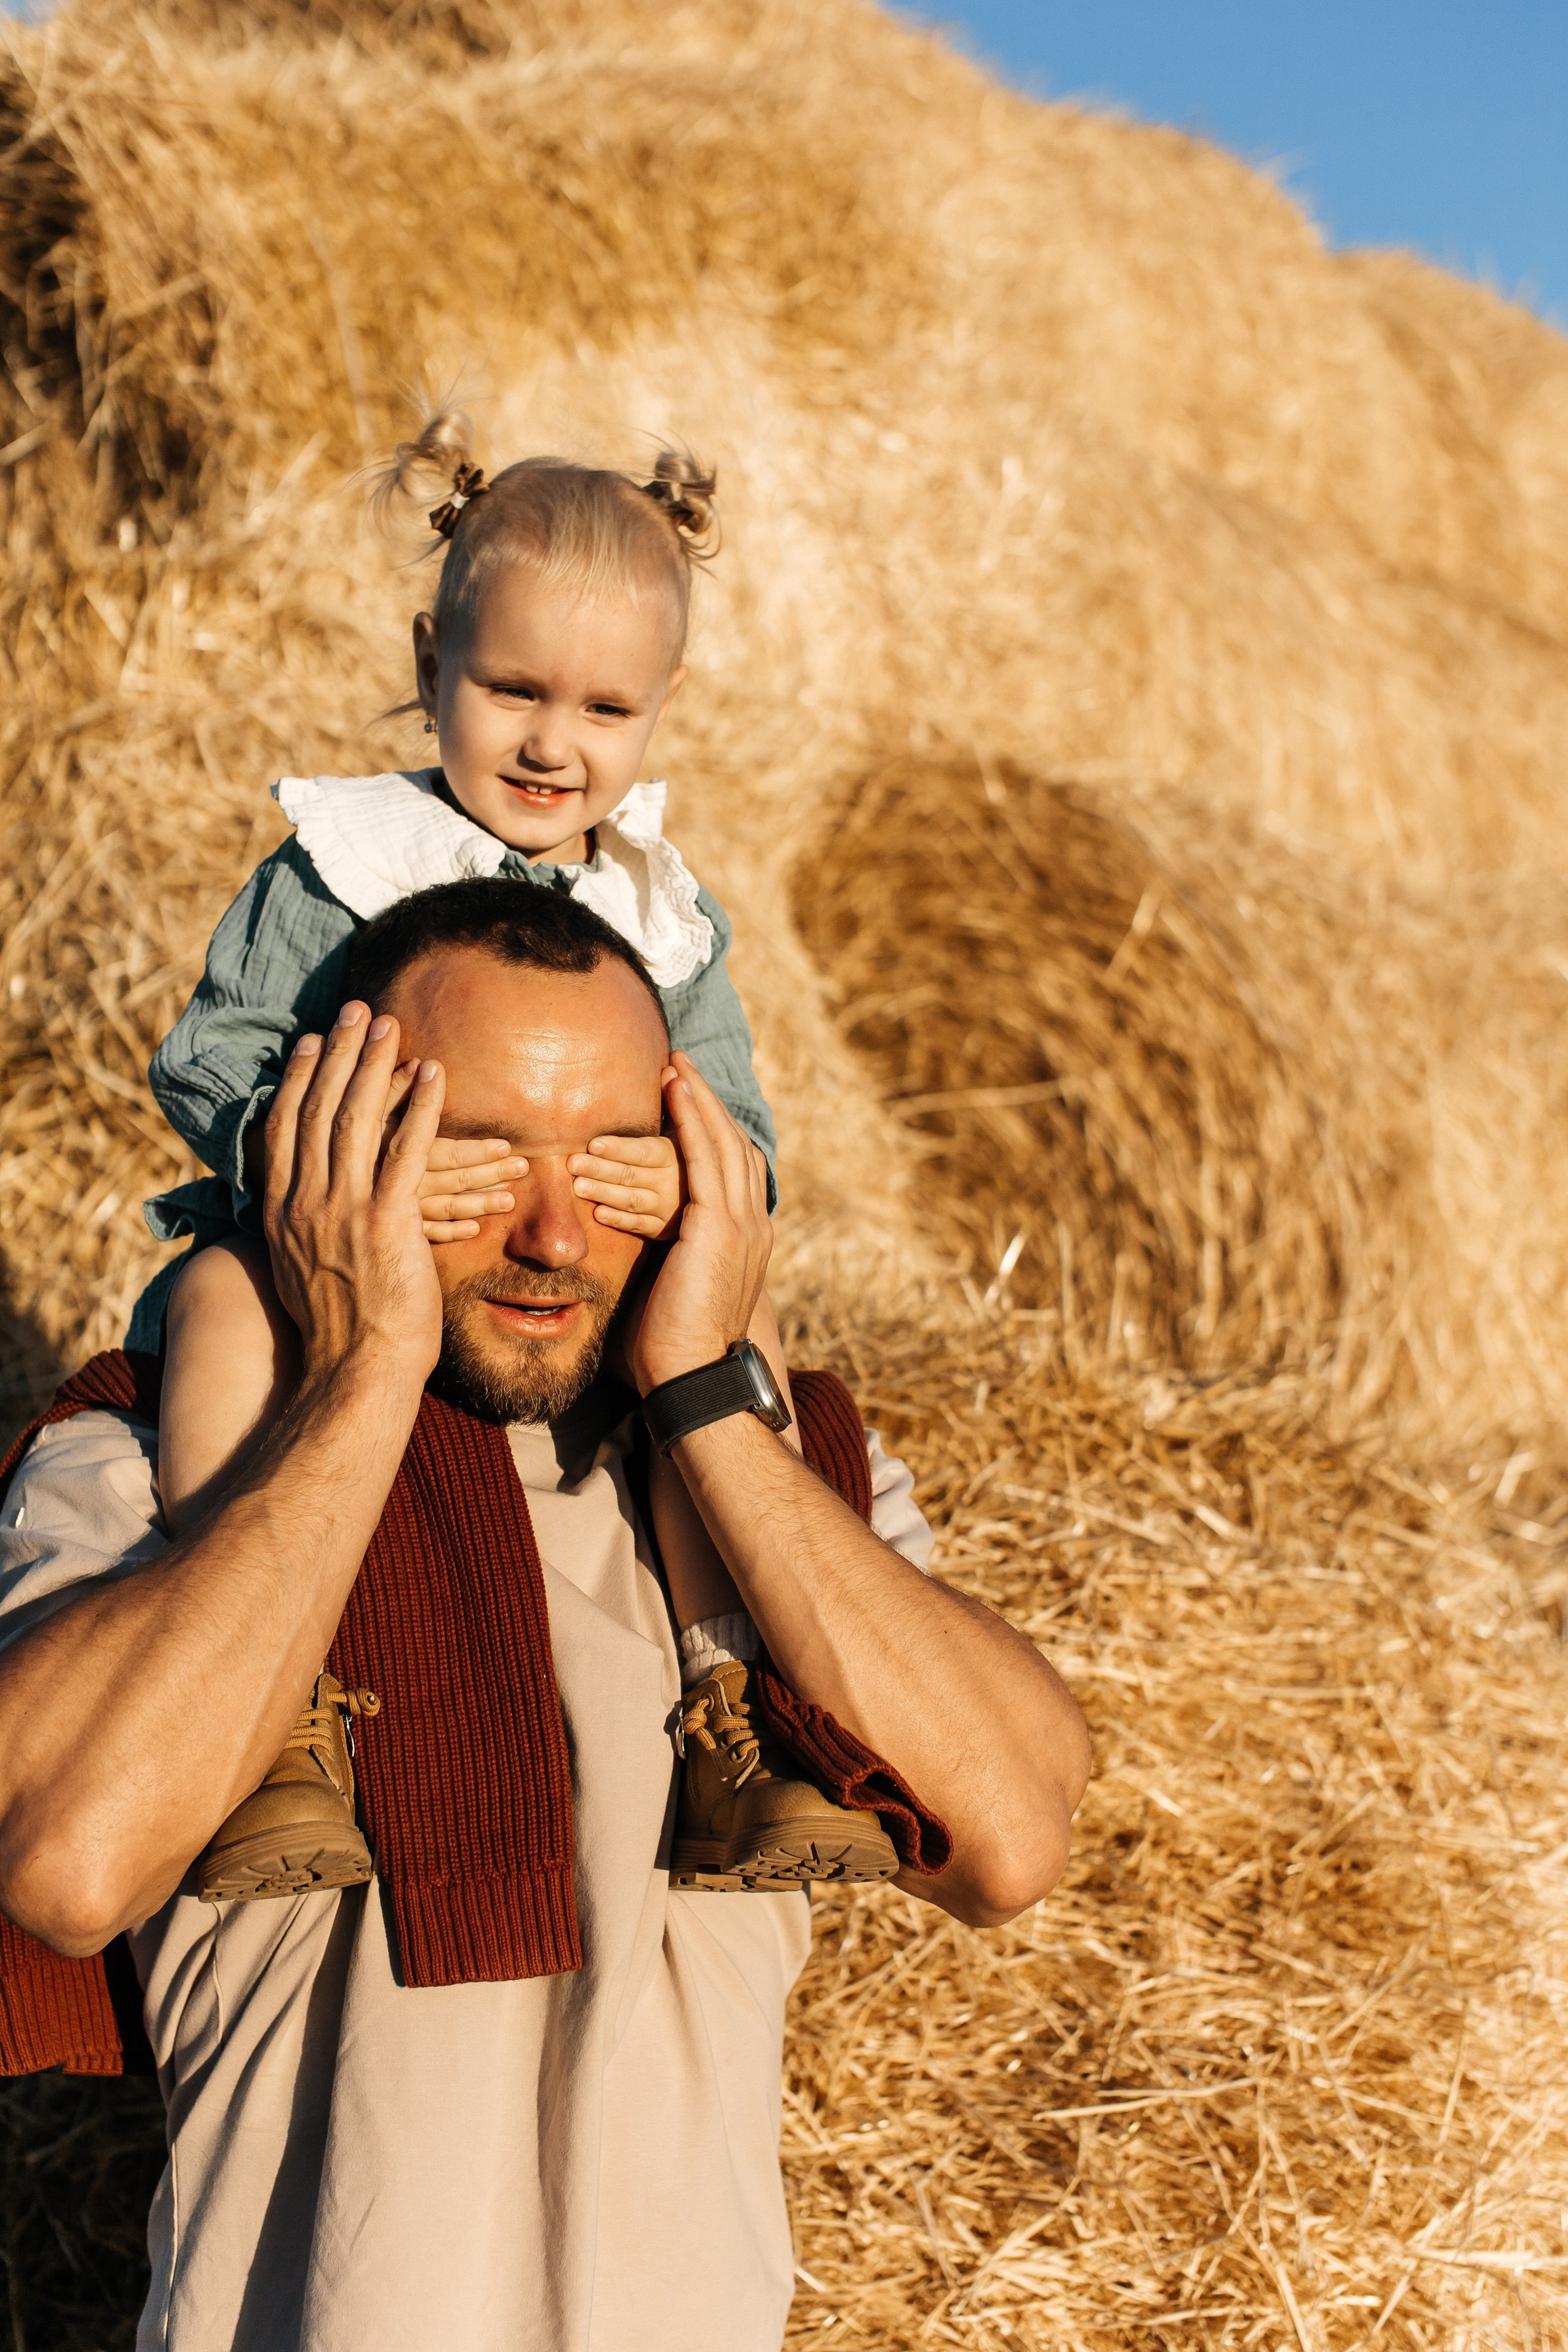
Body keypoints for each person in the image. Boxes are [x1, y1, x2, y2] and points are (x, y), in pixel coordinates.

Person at [0, 885, 1092, 2351]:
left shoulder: (767, 1492)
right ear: (342, 1142)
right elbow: (70, 1863)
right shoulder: (150, 1462)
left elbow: (1011, 1836)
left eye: (614, 1157)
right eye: (479, 1150)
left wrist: (708, 1395)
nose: (555, 1229)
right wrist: (365, 1368)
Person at [131, 408, 871, 1893]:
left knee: (739, 1329)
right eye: (512, 690)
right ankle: (266, 1712)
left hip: (568, 1267)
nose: (552, 743)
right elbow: (209, 1054)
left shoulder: (663, 911)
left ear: (662, 710)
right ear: (428, 668)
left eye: (605, 711)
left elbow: (746, 1136)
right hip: (330, 1249)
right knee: (218, 1304)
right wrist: (343, 1158)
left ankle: (744, 1705)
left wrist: (688, 1178)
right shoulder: (343, 863)